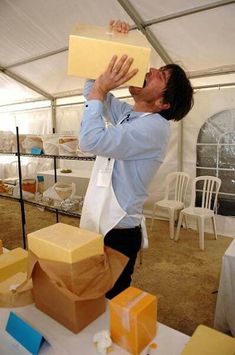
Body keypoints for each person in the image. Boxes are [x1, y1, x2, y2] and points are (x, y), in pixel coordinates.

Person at [79, 20, 194, 299]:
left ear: (163, 104)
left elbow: (90, 140)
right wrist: (115, 44)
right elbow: (91, 89)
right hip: (102, 219)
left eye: (161, 77)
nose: (152, 69)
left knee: (110, 300)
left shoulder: (153, 128)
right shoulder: (132, 115)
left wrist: (99, 91)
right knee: (91, 291)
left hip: (118, 230)